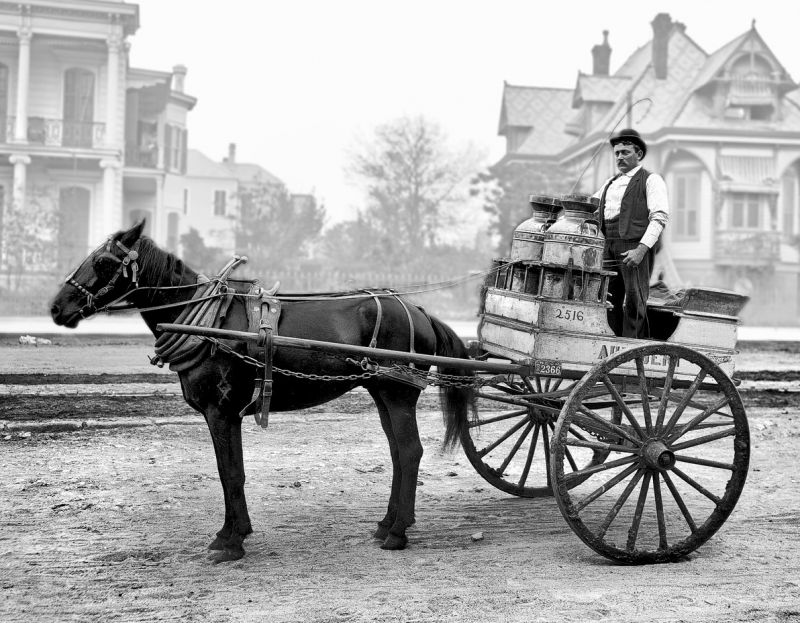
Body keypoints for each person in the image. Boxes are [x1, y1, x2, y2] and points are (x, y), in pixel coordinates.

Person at [594, 128, 669, 339]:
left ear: (639, 155)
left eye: (625, 152)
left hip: (634, 247)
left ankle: (634, 348)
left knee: (635, 300)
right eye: (617, 153)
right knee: (607, 299)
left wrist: (641, 250)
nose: (619, 157)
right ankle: (611, 346)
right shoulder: (609, 184)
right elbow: (589, 207)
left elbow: (660, 217)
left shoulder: (651, 180)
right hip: (607, 247)